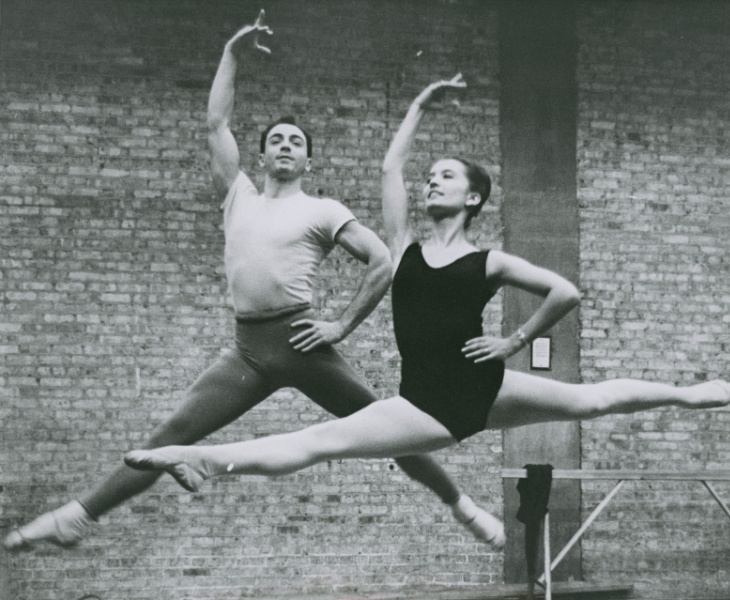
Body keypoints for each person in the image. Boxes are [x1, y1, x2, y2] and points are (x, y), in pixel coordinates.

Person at [2, 13, 506, 553]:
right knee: (169, 439)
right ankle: (76, 517)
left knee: (392, 431)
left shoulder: (323, 209)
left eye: (295, 142)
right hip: (247, 352)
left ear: (308, 159)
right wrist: (231, 54)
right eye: (276, 141)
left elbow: (382, 261)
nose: (286, 146)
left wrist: (339, 324)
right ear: (262, 155)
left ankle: (463, 507)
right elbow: (217, 124)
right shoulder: (238, 193)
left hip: (302, 345)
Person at [121, 75, 730, 505]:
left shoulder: (487, 260)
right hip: (429, 405)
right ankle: (204, 458)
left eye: (446, 176)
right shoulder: (406, 245)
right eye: (432, 174)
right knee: (318, 445)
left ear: (472, 198)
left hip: (482, 387)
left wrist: (514, 339)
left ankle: (687, 394)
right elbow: (391, 167)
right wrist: (420, 103)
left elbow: (564, 291)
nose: (431, 180)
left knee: (594, 400)